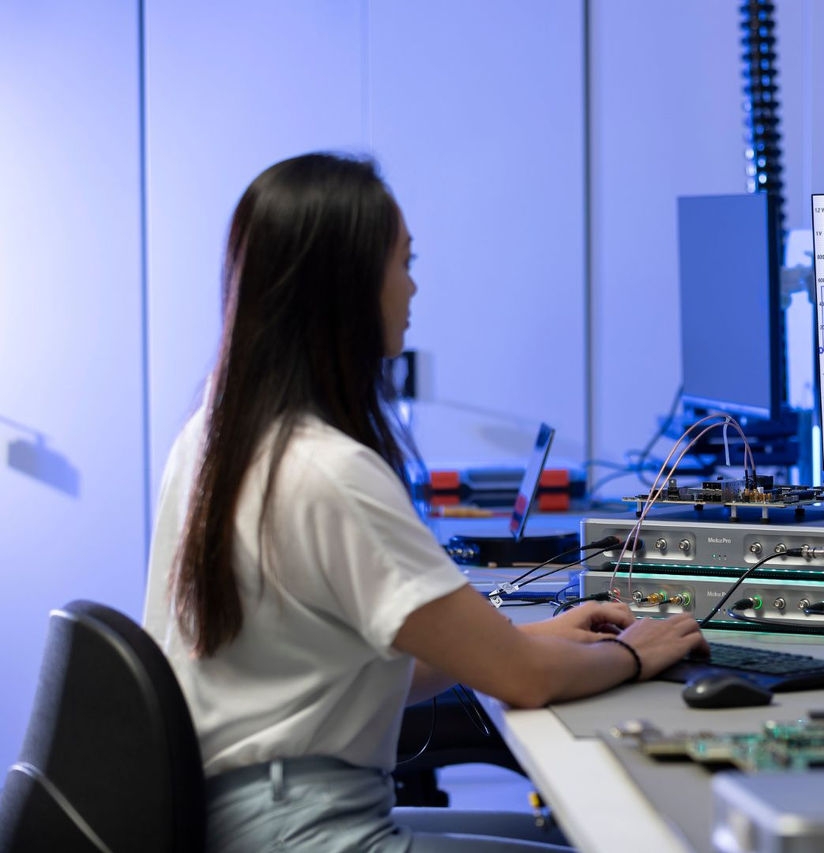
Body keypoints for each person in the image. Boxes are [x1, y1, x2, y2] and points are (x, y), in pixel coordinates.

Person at [142, 151, 709, 852]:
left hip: (236, 821)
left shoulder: (213, 437)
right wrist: (632, 653)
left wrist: (518, 640)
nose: (413, 288)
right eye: (403, 262)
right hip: (311, 833)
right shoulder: (329, 471)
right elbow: (524, 684)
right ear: (347, 285)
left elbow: (339, 675)